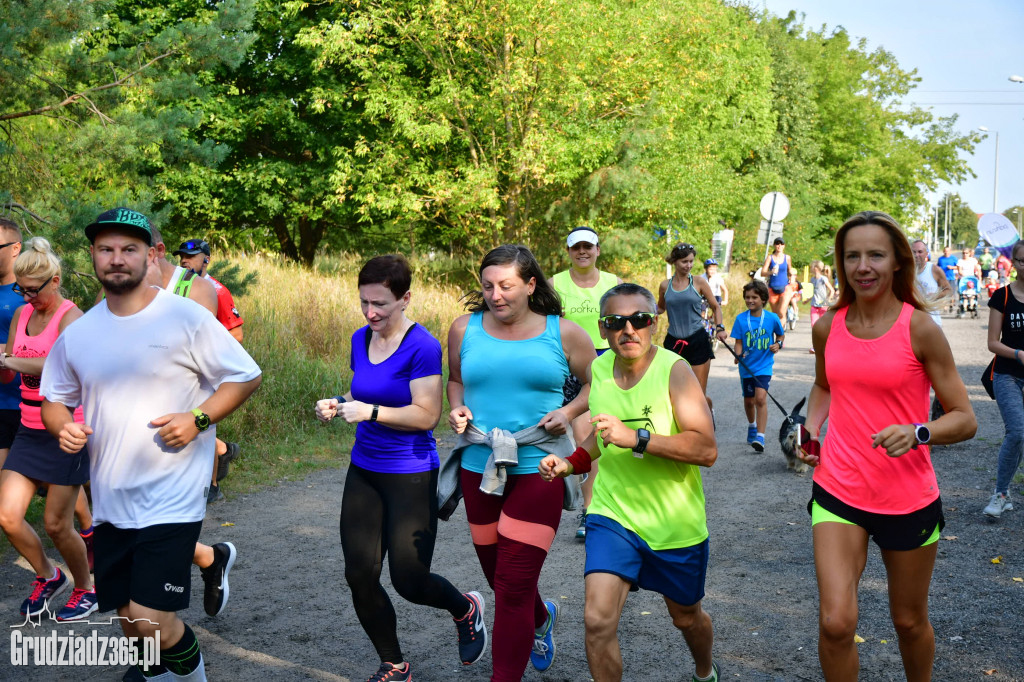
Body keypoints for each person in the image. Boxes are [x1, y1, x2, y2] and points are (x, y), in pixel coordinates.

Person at [41, 207, 262, 681]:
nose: (116, 258)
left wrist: (199, 418)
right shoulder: (78, 334)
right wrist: (62, 426)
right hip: (111, 499)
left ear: (153, 254)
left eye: (129, 249)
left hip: (172, 494)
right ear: (94, 256)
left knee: (151, 619)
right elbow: (55, 399)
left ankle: (193, 676)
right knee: (129, 621)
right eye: (106, 249)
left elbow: (245, 376)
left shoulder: (184, 317)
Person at [798, 210, 976, 682]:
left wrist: (918, 431)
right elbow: (824, 386)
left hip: (907, 497)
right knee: (836, 623)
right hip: (839, 488)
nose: (863, 266)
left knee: (908, 621)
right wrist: (811, 428)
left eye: (875, 254)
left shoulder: (920, 328)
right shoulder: (827, 327)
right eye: (852, 255)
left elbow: (965, 418)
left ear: (898, 262)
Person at [314, 254, 486, 682]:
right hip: (365, 470)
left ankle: (465, 608)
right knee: (359, 574)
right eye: (364, 302)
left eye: (381, 304)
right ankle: (394, 663)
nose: (371, 313)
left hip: (410, 471)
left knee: (409, 579)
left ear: (405, 298)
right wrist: (338, 403)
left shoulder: (422, 345)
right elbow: (370, 391)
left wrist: (368, 411)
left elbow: (426, 415)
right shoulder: (360, 338)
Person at [538, 282, 720, 682]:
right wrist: (571, 463)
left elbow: (706, 450)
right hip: (612, 514)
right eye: (616, 322)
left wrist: (636, 437)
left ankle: (705, 670)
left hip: (674, 523)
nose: (628, 329)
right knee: (597, 621)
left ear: (654, 323)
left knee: (686, 618)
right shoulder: (600, 369)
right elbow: (600, 436)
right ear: (602, 329)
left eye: (639, 319)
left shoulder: (675, 371)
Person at [447, 244, 595, 681]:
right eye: (488, 285)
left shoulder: (564, 333)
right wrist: (456, 408)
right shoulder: (462, 329)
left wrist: (567, 413)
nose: (496, 295)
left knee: (511, 585)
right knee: (500, 577)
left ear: (531, 285)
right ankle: (540, 618)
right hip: (479, 464)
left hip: (540, 466)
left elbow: (594, 385)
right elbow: (456, 380)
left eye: (507, 285)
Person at [0, 238, 94, 621]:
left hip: (67, 430)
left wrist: (14, 361)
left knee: (57, 524)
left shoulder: (73, 318)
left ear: (55, 281)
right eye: (21, 289)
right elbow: (10, 366)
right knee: (7, 516)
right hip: (28, 427)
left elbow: (65, 371)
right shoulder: (22, 314)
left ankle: (86, 589)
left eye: (34, 289)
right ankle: (48, 575)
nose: (28, 296)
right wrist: (3, 363)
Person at [549, 226, 622, 541]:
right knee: (584, 437)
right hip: (572, 366)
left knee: (614, 432)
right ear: (568, 252)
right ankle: (590, 511)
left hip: (609, 361)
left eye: (588, 247)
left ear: (598, 250)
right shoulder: (555, 284)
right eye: (576, 247)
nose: (582, 252)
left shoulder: (613, 283)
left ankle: (618, 501)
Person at [172, 239, 244, 498]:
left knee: (204, 422)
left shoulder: (217, 290)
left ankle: (212, 485)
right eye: (182, 256)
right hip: (179, 369)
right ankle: (223, 450)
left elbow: (236, 334)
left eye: (192, 255)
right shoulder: (175, 287)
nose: (185, 260)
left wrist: (208, 350)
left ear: (207, 259)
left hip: (208, 369)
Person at [658, 244, 728, 411]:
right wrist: (643, 312)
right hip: (673, 343)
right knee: (674, 392)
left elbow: (715, 306)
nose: (688, 265)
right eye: (684, 262)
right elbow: (660, 308)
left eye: (691, 261)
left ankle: (706, 414)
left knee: (698, 394)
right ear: (675, 262)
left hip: (697, 340)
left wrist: (720, 327)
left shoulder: (698, 282)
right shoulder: (664, 285)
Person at [982, 239, 1024, 519]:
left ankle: (1006, 493)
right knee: (1018, 431)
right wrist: (1019, 354)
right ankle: (999, 493)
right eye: (1022, 261)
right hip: (1007, 374)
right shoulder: (1002, 296)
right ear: (1014, 263)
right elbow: (992, 343)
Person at [729, 281, 785, 453]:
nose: (750, 300)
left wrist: (778, 344)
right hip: (747, 367)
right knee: (748, 400)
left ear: (763, 300)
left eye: (754, 297)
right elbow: (738, 343)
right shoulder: (740, 319)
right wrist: (737, 355)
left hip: (764, 366)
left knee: (760, 399)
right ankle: (752, 425)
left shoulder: (772, 318)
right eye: (747, 297)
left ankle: (760, 436)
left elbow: (780, 336)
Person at [0, 218, 24, 470]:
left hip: (27, 403)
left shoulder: (30, 292)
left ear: (15, 248)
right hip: (0, 403)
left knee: (54, 483)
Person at [910, 240, 952, 327]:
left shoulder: (934, 270)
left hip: (932, 322)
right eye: (913, 252)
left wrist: (935, 295)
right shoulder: (906, 271)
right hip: (912, 321)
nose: (916, 255)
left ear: (926, 254)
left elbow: (948, 290)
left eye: (920, 252)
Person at [761, 237, 794, 318]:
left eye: (781, 244)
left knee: (781, 313)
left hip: (785, 287)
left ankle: (781, 328)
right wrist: (771, 272)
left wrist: (791, 275)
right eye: (777, 244)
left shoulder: (787, 258)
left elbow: (789, 270)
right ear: (774, 246)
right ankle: (778, 328)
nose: (779, 246)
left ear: (784, 246)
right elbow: (762, 273)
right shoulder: (770, 258)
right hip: (773, 287)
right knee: (776, 314)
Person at [808, 260, 836, 352]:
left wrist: (827, 301)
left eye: (812, 267)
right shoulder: (812, 280)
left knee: (824, 326)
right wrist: (807, 300)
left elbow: (832, 290)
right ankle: (815, 346)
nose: (811, 269)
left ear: (815, 268)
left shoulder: (823, 279)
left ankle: (826, 344)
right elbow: (812, 292)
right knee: (814, 325)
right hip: (814, 305)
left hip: (823, 306)